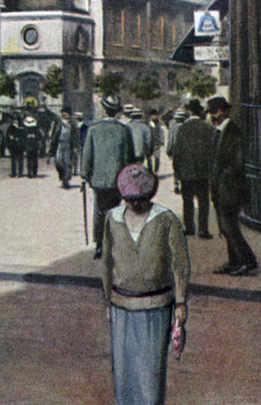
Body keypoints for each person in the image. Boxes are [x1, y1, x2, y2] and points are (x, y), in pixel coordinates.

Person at [102, 163, 190, 405]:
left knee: (150, 373)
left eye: (140, 199)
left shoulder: (166, 219)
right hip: (121, 304)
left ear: (149, 195)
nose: (135, 204)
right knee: (123, 372)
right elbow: (107, 262)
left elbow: (179, 264)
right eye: (130, 200)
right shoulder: (112, 218)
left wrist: (180, 302)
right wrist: (107, 300)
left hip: (155, 306)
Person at [207, 96, 258, 276]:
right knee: (225, 227)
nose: (214, 115)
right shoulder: (219, 131)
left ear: (226, 111)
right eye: (211, 112)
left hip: (230, 188)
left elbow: (237, 162)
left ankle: (248, 261)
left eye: (217, 111)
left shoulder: (232, 130)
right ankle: (234, 261)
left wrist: (224, 181)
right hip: (220, 188)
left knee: (231, 227)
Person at [81, 96, 135, 259]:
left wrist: (85, 175)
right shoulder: (124, 130)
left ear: (104, 109)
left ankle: (100, 245)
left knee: (100, 212)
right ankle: (114, 244)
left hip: (99, 179)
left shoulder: (93, 129)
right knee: (117, 212)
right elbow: (129, 158)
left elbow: (87, 155)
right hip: (118, 180)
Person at [172, 98, 217, 238]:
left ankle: (189, 227)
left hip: (186, 171)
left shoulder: (182, 128)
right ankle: (203, 229)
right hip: (203, 171)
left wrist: (177, 172)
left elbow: (176, 151)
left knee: (187, 201)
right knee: (203, 201)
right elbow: (213, 151)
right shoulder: (209, 128)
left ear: (189, 111)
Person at [49, 106, 80, 188]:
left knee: (67, 162)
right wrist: (52, 145)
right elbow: (54, 134)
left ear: (69, 114)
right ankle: (62, 176)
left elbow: (76, 136)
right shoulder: (58, 123)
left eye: (66, 113)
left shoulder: (72, 124)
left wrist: (76, 146)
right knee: (58, 162)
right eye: (63, 113)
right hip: (59, 144)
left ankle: (66, 180)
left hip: (68, 145)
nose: (64, 114)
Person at [166, 108, 187, 193]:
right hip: (185, 150)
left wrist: (169, 151)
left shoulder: (173, 128)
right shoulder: (186, 126)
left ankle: (176, 184)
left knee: (176, 168)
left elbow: (170, 140)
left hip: (176, 149)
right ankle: (183, 184)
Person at [5, 112, 25, 177]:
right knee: (13, 160)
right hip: (13, 146)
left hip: (20, 146)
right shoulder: (11, 128)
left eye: (16, 120)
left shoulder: (22, 128)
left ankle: (20, 173)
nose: (15, 121)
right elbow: (7, 137)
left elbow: (24, 138)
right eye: (14, 120)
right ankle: (14, 173)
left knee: (20, 160)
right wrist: (8, 145)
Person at [147, 108, 164, 173]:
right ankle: (150, 170)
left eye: (155, 115)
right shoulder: (147, 123)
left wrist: (162, 141)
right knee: (149, 159)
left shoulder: (159, 123)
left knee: (157, 157)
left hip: (156, 143)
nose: (154, 116)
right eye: (153, 115)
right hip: (149, 142)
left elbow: (161, 132)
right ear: (150, 116)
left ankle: (156, 171)